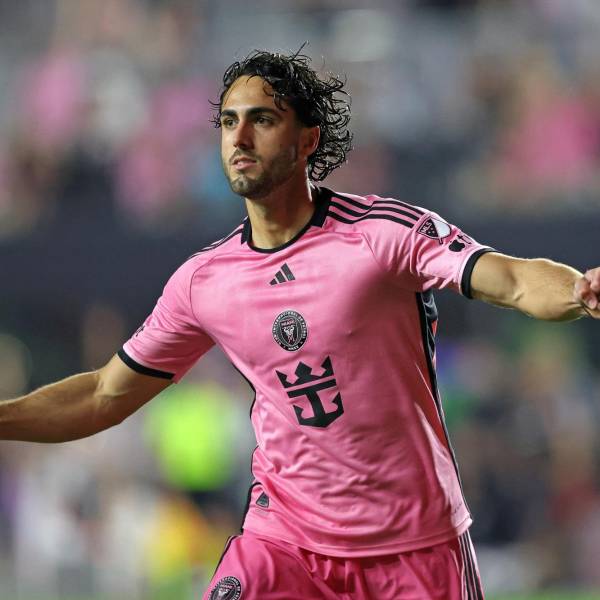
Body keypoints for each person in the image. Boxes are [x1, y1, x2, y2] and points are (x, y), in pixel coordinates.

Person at [1, 49, 599, 600]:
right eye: (229, 121)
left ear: (308, 138)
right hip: (284, 544)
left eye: (261, 119)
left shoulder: (381, 235)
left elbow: (513, 279)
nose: (239, 137)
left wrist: (578, 289)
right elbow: (104, 394)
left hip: (413, 549)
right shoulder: (204, 282)